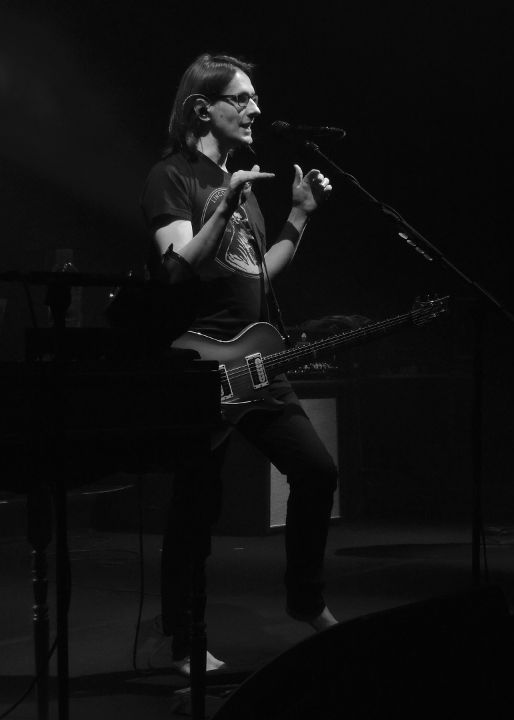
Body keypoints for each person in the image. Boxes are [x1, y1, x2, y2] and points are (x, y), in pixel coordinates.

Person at [140, 52, 338, 675]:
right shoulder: (172, 176)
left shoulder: (241, 186)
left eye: (255, 97)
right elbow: (177, 269)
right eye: (243, 97)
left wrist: (298, 216)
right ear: (203, 108)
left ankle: (306, 601)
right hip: (201, 367)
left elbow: (259, 274)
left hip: (258, 361)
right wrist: (224, 205)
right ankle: (181, 638)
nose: (256, 108)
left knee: (317, 472)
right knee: (196, 507)